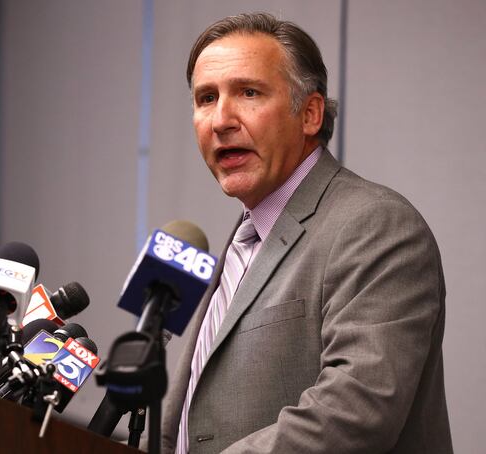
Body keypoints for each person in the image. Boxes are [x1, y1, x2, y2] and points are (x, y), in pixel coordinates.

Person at [160, 12, 452, 454]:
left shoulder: (374, 225)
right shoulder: (241, 241)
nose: (221, 119)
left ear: (310, 113)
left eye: (248, 92)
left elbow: (356, 411)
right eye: (205, 98)